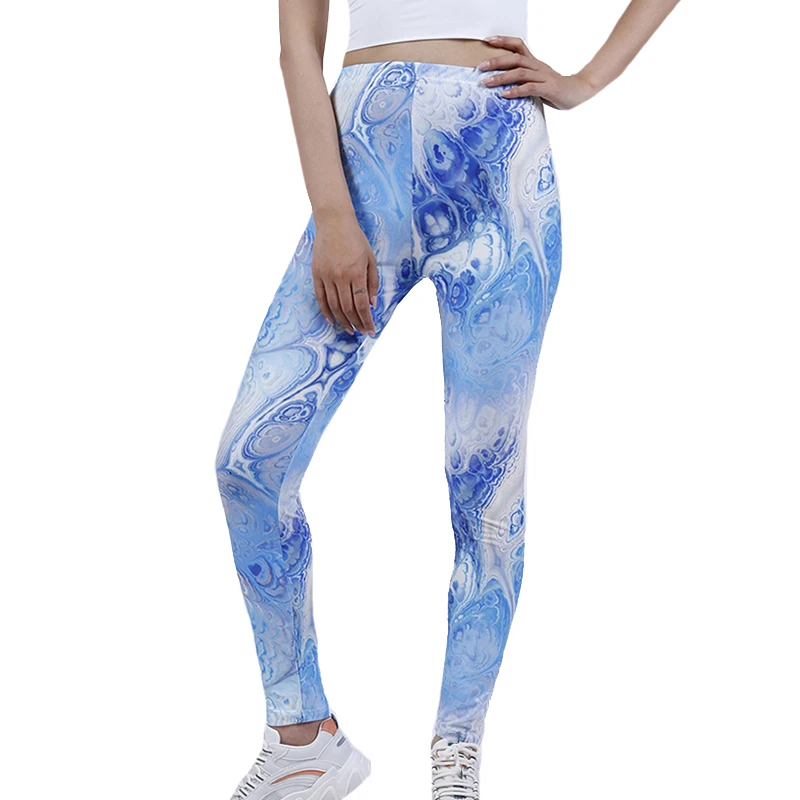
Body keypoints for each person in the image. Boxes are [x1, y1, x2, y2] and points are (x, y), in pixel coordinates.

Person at [215, 0, 682, 797]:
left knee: (485, 489)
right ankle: (303, 738)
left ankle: (457, 751)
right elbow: (297, 46)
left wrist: (586, 80)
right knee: (247, 462)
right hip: (363, 171)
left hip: (504, 176)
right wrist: (332, 212)